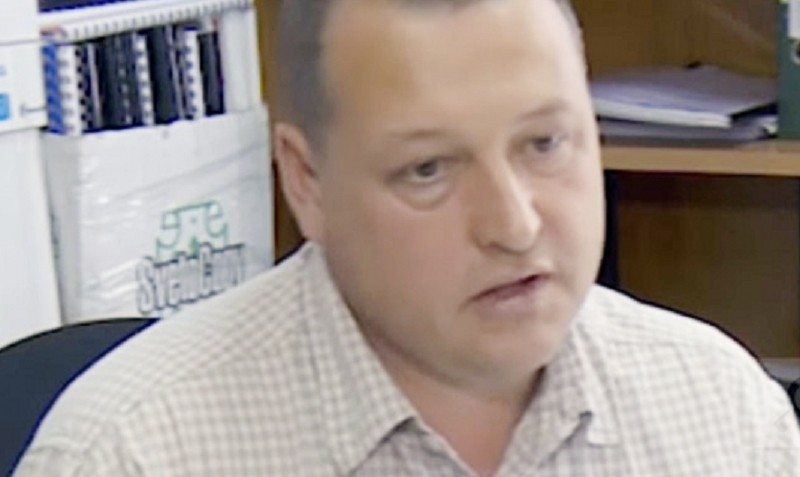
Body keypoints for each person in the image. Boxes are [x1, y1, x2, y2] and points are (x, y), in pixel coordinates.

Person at [13, 0, 800, 475]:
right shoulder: (131, 453)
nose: (515, 225)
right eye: (427, 169)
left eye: (545, 142)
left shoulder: (722, 412)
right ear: (306, 181)